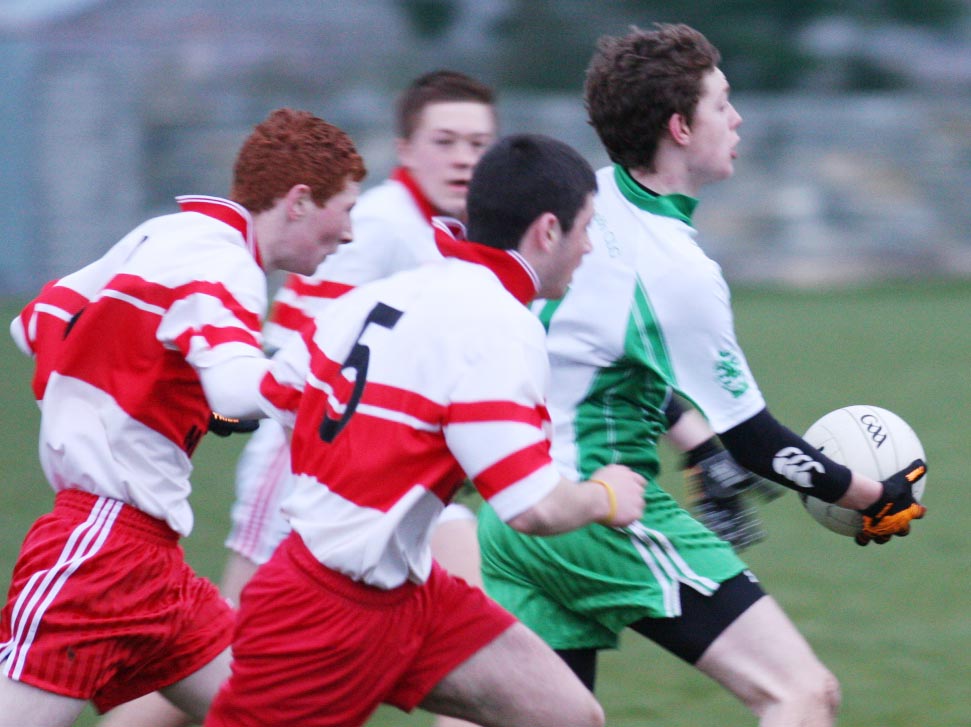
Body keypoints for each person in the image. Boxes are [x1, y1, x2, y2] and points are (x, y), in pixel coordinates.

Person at [477, 24, 927, 726]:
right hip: (599, 513)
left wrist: (692, 441)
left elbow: (590, 358)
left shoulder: (583, 202)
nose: (737, 117)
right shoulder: (674, 270)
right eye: (722, 103)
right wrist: (872, 494)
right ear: (680, 127)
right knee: (801, 693)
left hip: (510, 508)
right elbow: (756, 442)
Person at [97, 67, 499, 727]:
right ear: (404, 148)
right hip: (301, 458)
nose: (462, 158)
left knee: (474, 646)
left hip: (384, 469)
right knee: (227, 653)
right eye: (445, 140)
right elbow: (292, 345)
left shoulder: (436, 229)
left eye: (478, 144)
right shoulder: (381, 225)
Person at [203, 133, 647, 727]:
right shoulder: (498, 325)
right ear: (546, 231)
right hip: (320, 615)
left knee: (566, 714)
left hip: (410, 595)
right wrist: (609, 495)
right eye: (585, 227)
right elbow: (532, 507)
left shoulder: (384, 296)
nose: (589, 247)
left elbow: (264, 398)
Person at [0, 108, 366, 727]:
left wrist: (158, 390)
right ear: (300, 200)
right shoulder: (228, 265)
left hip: (153, 563)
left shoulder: (168, 234)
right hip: (99, 550)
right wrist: (318, 357)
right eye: (347, 209)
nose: (351, 233)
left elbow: (34, 323)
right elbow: (236, 391)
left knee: (278, 713)